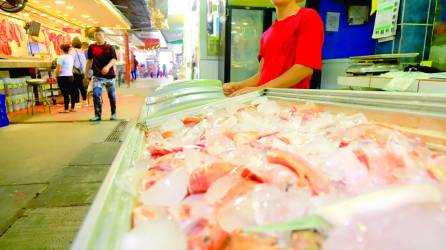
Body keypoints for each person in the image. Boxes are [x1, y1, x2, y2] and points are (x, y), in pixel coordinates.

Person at [223, 0, 324, 96]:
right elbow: (261, 75)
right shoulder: (267, 34)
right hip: (266, 104)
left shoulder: (308, 17)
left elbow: (303, 68)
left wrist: (261, 89)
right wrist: (239, 86)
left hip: (291, 105)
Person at [84, 28, 118, 121]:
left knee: (112, 96)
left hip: (110, 77)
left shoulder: (110, 47)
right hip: (97, 76)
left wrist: (107, 67)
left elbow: (114, 59)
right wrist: (86, 74)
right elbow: (89, 61)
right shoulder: (91, 47)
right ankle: (98, 115)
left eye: (99, 34)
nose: (97, 37)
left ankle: (114, 114)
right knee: (96, 94)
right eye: (95, 35)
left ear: (104, 36)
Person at [55, 44, 76, 113]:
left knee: (65, 93)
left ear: (61, 50)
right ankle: (72, 108)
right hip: (70, 76)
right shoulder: (71, 57)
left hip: (62, 77)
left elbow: (59, 69)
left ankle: (66, 109)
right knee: (72, 93)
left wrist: (56, 75)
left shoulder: (60, 58)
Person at [71, 37, 87, 106]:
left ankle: (77, 102)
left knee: (75, 87)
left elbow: (71, 61)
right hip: (81, 71)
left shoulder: (73, 51)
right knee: (81, 86)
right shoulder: (81, 52)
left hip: (75, 71)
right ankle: (85, 101)